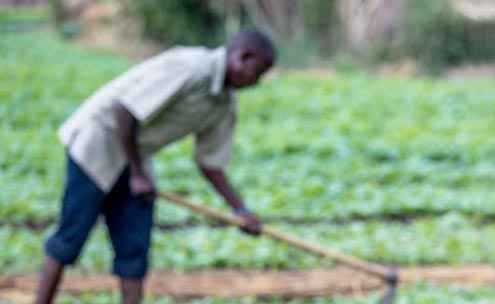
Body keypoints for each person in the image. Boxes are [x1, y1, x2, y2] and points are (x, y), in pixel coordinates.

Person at [34, 28, 276, 304]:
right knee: (69, 239)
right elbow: (124, 110)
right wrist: (137, 174)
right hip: (97, 144)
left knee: (134, 249)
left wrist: (241, 210)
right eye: (259, 71)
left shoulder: (225, 104)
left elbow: (211, 163)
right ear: (242, 57)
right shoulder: (190, 67)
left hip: (136, 156)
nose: (257, 81)